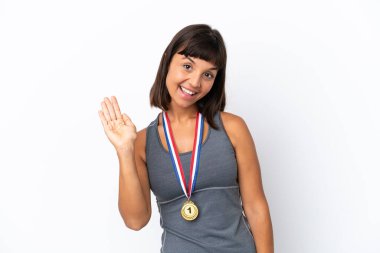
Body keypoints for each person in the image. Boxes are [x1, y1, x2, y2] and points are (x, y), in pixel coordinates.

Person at [98, 24, 274, 253]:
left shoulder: (233, 128)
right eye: (187, 66)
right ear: (167, 61)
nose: (195, 82)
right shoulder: (141, 143)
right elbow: (135, 221)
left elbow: (256, 208)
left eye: (208, 74)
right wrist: (124, 150)